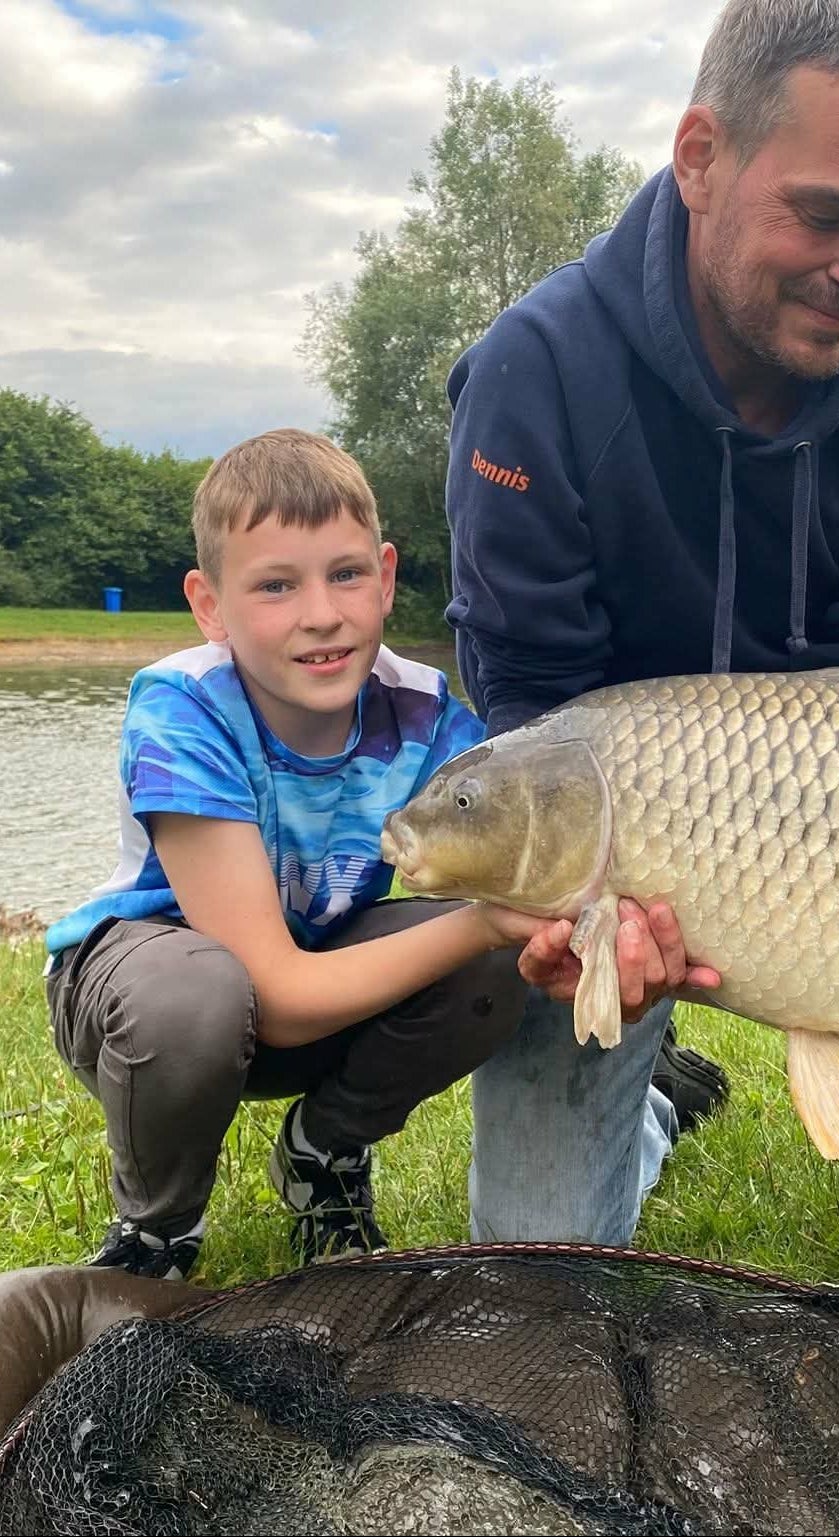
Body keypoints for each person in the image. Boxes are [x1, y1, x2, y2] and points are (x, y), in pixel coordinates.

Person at [443, 0, 839, 1246]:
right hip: (623, 836)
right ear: (700, 158)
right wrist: (568, 915)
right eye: (826, 214)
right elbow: (535, 707)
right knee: (537, 1267)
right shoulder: (535, 372)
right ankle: (647, 1106)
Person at [42, 429, 554, 1279]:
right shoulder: (182, 709)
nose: (321, 613)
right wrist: (484, 922)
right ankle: (158, 1227)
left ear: (385, 578)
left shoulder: (424, 711)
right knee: (201, 992)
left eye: (345, 574)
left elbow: (534, 841)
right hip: (150, 998)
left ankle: (323, 1151)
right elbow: (273, 996)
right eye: (276, 585)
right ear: (210, 605)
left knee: (498, 959)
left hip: (310, 972)